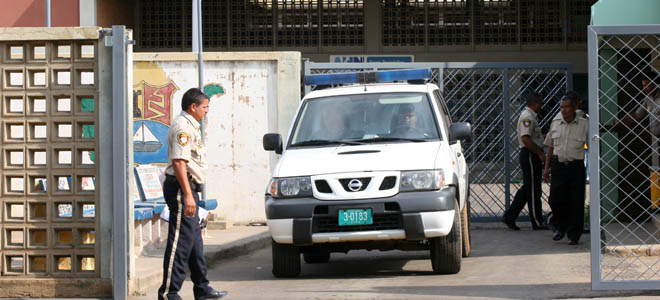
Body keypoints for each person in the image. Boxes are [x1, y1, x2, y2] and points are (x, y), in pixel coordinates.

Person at [158, 88, 227, 300]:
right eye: (205, 107)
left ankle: (202, 287)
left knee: (195, 241)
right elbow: (179, 162)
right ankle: (169, 292)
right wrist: (187, 195)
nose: (207, 111)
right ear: (193, 107)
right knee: (180, 240)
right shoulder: (182, 127)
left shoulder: (190, 125)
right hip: (182, 188)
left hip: (188, 187)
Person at [543, 94, 589, 245]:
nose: (563, 110)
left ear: (575, 107)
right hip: (558, 166)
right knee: (555, 200)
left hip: (576, 166)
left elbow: (593, 146)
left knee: (576, 202)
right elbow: (550, 146)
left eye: (567, 107)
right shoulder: (556, 123)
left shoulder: (584, 124)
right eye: (561, 107)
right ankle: (560, 227)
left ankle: (573, 235)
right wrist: (547, 167)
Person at [502, 92, 547, 230]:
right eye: (541, 103)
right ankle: (537, 221)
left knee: (528, 188)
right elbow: (526, 139)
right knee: (534, 190)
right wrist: (539, 153)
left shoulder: (531, 116)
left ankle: (510, 216)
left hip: (531, 154)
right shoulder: (527, 117)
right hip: (530, 155)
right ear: (535, 104)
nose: (542, 106)